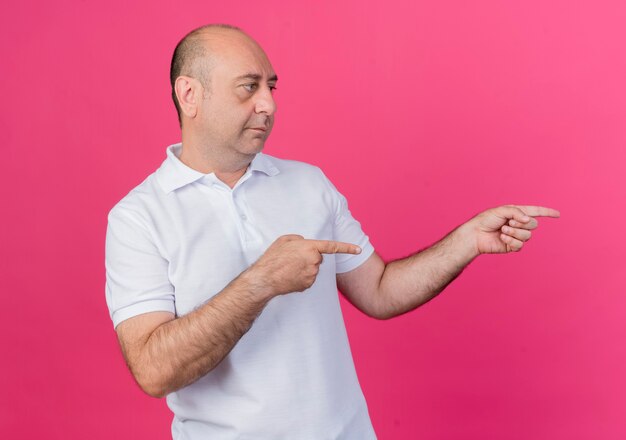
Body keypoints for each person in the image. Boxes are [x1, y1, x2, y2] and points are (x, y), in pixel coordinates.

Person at [104, 23, 560, 439]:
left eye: (271, 86)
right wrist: (262, 281)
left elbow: (380, 290)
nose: (268, 103)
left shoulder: (309, 184)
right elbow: (154, 370)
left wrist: (465, 241)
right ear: (190, 95)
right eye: (248, 88)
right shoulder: (138, 217)